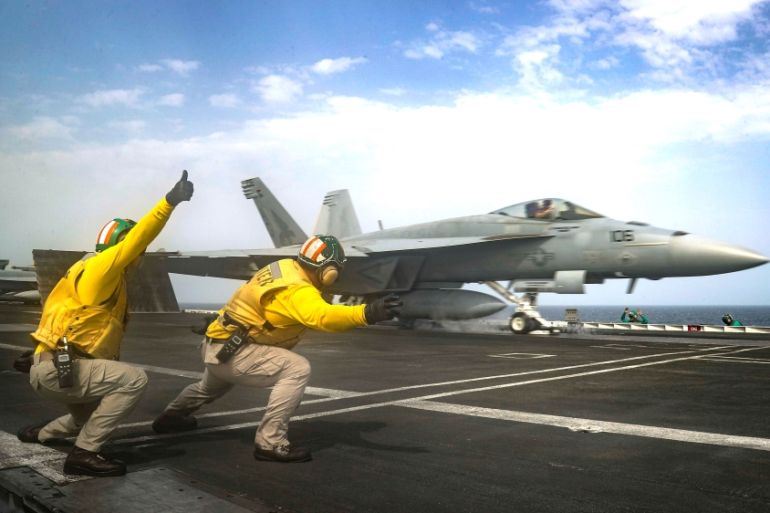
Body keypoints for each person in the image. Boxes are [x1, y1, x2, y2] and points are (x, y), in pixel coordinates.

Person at [152, 234, 402, 463]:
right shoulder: (298, 289)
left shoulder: (281, 267)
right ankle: (270, 443)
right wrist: (367, 313)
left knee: (207, 388)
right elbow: (322, 316)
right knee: (297, 368)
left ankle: (171, 418)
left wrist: (216, 320)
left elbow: (244, 296)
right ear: (328, 270)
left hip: (217, 344)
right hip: (237, 352)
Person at [17, 171, 194, 477]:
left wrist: (38, 351)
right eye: (134, 248)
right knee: (134, 380)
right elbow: (140, 237)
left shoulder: (85, 270)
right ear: (119, 245)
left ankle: (42, 434)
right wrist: (169, 202)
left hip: (53, 365)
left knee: (84, 418)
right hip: (61, 369)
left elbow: (61, 313)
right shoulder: (103, 267)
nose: (140, 253)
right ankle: (84, 454)